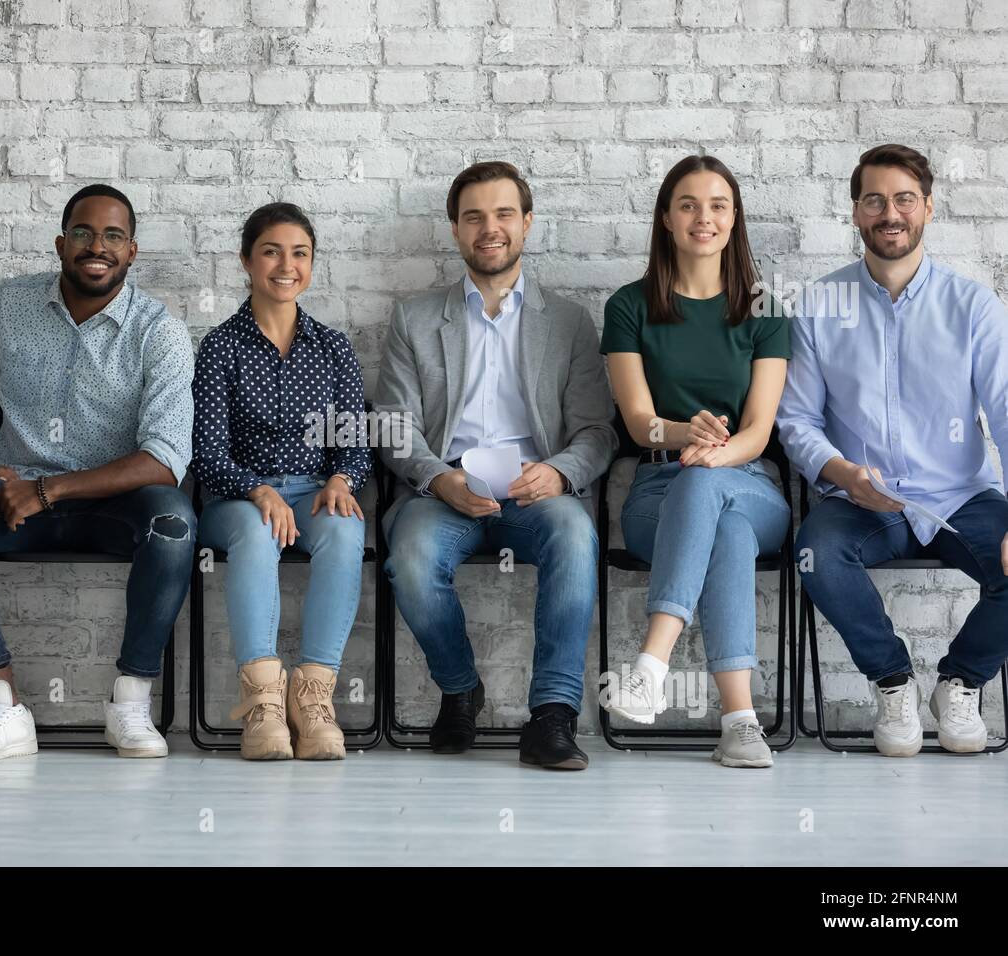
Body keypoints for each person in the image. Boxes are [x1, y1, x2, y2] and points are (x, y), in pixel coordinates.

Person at [0, 184, 195, 761]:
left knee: (174, 522)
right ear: (61, 243)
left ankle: (131, 705)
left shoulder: (158, 330)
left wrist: (50, 490)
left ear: (132, 251)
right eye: (84, 232)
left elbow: (166, 459)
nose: (98, 246)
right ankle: (1, 706)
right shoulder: (9, 304)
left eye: (113, 235)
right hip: (13, 496)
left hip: (113, 506)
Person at [376, 161, 616, 770]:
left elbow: (596, 430)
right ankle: (459, 689)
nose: (491, 228)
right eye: (474, 216)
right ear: (456, 230)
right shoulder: (415, 319)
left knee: (574, 534)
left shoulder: (567, 321)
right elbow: (395, 428)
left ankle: (553, 717)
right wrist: (439, 478)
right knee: (409, 557)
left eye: (504, 214)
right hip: (443, 488)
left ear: (527, 224)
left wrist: (560, 472)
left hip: (536, 489)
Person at [779, 144, 1008, 756]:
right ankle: (893, 682)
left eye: (904, 199)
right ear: (855, 212)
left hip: (958, 498)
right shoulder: (820, 306)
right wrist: (843, 474)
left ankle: (961, 682)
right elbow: (796, 419)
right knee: (815, 557)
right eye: (874, 200)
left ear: (928, 208)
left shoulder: (973, 306)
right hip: (861, 500)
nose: (890, 212)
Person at [600, 155, 790, 769]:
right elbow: (638, 421)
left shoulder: (763, 307)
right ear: (665, 217)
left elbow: (759, 431)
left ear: (734, 220)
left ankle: (650, 665)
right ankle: (740, 722)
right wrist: (686, 433)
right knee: (721, 527)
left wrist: (715, 453)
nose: (703, 218)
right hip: (659, 492)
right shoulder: (629, 306)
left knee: (714, 489)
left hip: (750, 482)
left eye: (717, 205)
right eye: (688, 204)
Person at [192, 203, 371, 761]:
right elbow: (206, 452)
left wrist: (343, 476)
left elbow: (355, 440)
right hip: (237, 496)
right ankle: (264, 703)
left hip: (314, 490)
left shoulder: (333, 347)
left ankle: (313, 699)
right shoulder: (220, 346)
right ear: (247, 261)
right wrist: (257, 489)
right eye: (271, 251)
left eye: (300, 253)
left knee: (344, 531)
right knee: (254, 530)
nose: (286, 265)